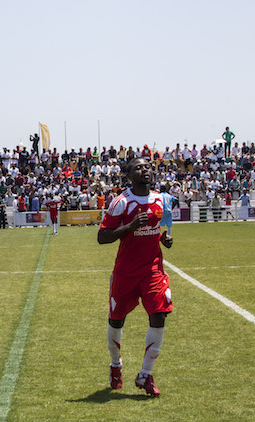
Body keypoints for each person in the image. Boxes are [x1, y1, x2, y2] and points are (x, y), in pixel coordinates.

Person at [97, 158, 173, 397]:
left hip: (152, 270)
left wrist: (163, 239)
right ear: (129, 175)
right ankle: (115, 365)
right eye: (138, 167)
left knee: (159, 316)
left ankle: (145, 374)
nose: (145, 170)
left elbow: (154, 229)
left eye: (147, 166)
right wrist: (129, 226)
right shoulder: (121, 202)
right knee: (116, 321)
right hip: (126, 273)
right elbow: (103, 237)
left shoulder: (161, 199)